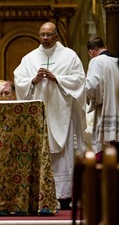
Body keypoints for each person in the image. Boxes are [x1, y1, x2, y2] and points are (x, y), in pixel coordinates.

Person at [14, 22, 86, 209]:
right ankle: (42, 193)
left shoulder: (70, 56)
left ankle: (63, 196)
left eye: (48, 34)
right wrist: (34, 80)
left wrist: (57, 78)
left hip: (63, 112)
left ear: (56, 36)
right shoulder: (29, 58)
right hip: (40, 115)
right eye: (42, 35)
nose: (45, 38)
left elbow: (79, 79)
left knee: (64, 154)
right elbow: (19, 80)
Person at [85, 37, 119, 162]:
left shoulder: (96, 61)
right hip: (117, 110)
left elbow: (92, 86)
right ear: (106, 47)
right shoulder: (116, 61)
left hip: (107, 110)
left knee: (106, 154)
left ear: (91, 52)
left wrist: (94, 101)